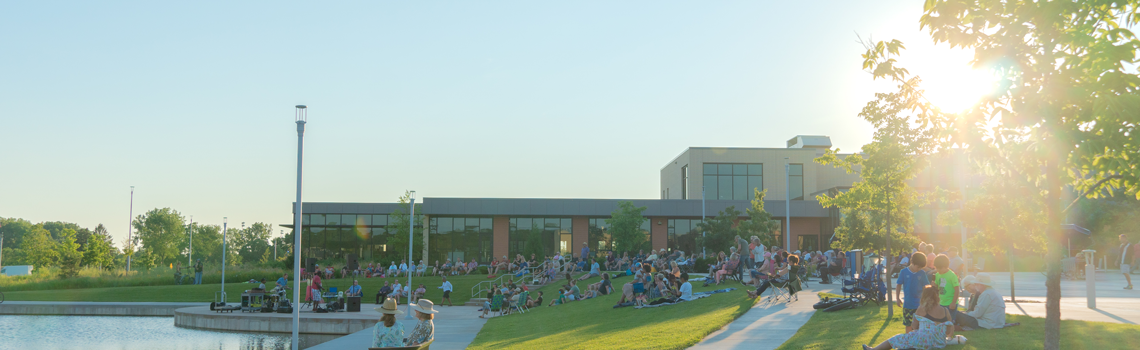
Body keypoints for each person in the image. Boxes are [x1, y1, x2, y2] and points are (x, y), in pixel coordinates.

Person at [862, 286, 955, 350]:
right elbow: (948, 330)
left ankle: (874, 349)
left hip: (925, 341)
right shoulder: (945, 310)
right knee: (909, 341)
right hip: (940, 343)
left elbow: (914, 327)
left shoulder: (922, 308)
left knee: (897, 338)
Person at [895, 252, 929, 333]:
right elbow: (898, 285)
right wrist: (897, 298)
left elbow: (926, 286)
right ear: (912, 262)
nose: (919, 269)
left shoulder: (922, 273)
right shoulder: (903, 272)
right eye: (918, 267)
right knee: (908, 324)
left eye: (921, 267)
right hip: (908, 304)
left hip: (920, 305)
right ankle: (908, 340)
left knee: (919, 324)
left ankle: (918, 340)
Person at [932, 254, 960, 340]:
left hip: (950, 303)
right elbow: (937, 287)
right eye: (936, 268)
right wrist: (933, 286)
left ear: (945, 266)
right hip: (941, 302)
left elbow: (957, 289)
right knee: (940, 320)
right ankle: (941, 336)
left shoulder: (952, 275)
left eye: (940, 268)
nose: (938, 270)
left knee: (949, 321)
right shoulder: (937, 275)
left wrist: (953, 302)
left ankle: (950, 337)